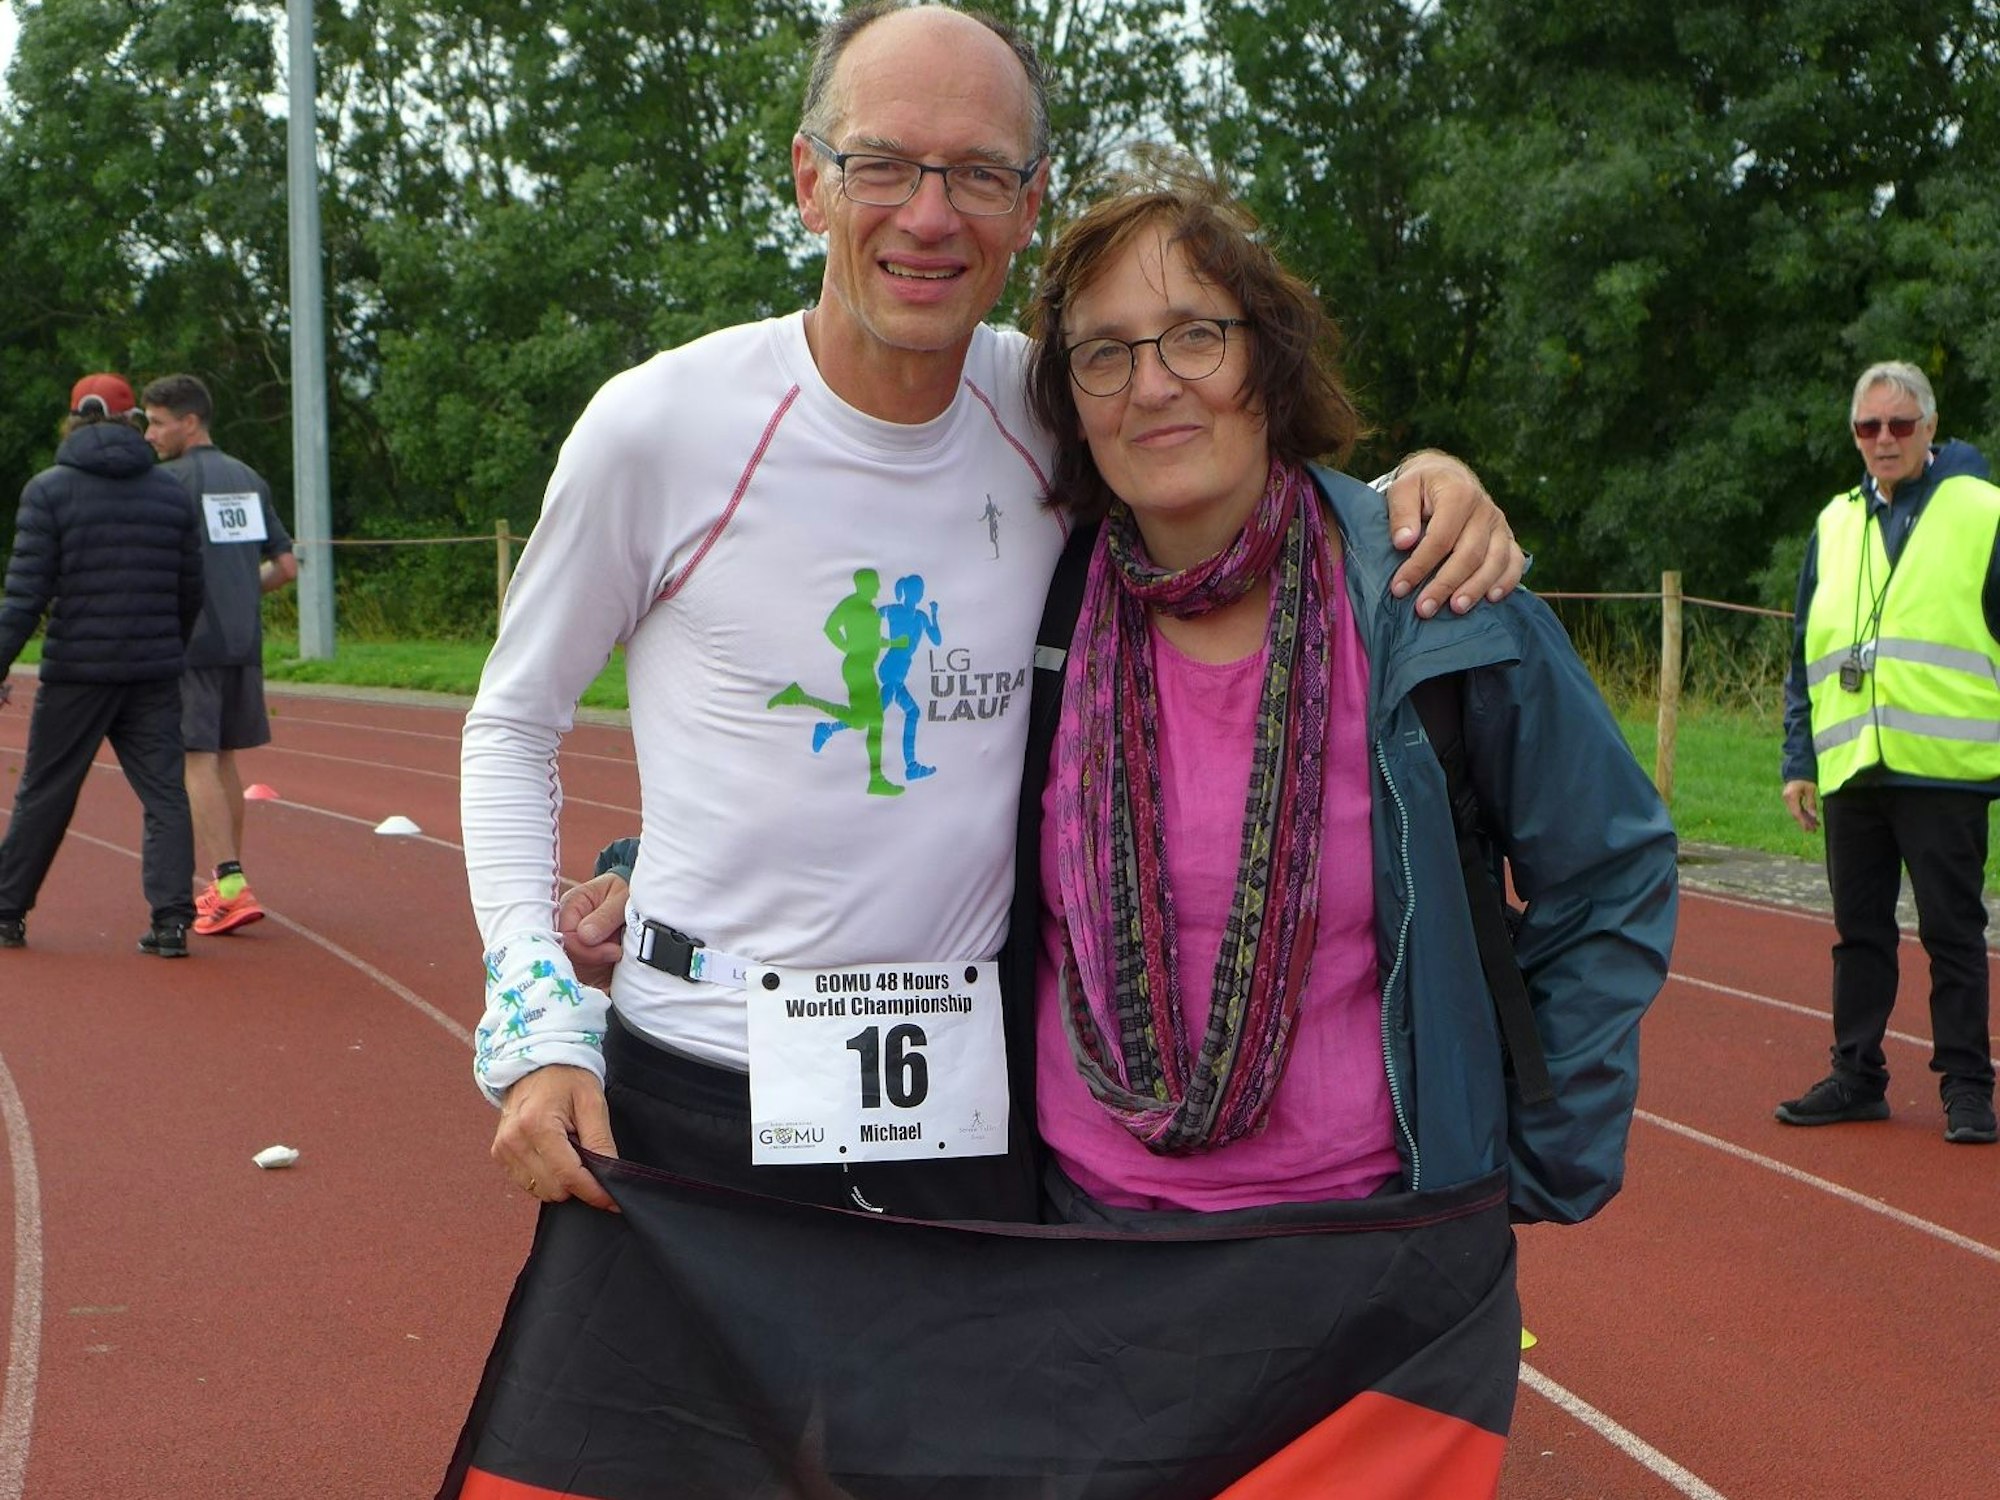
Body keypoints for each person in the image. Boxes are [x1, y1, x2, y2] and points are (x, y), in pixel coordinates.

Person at [445, 6, 1524, 1495]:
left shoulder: (1055, 412)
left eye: (979, 173)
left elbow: (1229, 450)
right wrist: (533, 1027)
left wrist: (1425, 481)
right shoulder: (660, 428)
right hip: (698, 1093)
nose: (929, 215)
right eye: (885, 164)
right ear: (810, 180)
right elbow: (512, 724)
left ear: (1029, 202)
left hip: (966, 1109)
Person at [1776, 361, 2000, 1146]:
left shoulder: (1983, 512)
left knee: (1954, 935)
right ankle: (1857, 1074)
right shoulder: (1835, 520)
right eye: (1869, 427)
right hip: (1852, 770)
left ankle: (1968, 1088)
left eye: (1900, 425)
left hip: (1945, 770)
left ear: (1931, 428)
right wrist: (1799, 759)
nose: (1884, 439)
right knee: (1858, 933)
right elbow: (1806, 645)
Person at [0, 375, 205, 956]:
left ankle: (8, 911)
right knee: (165, 793)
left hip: (76, 672)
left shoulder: (48, 491)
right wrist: (170, 644)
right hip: (153, 671)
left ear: (74, 418)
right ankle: (171, 922)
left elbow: (24, 596)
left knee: (46, 790)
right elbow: (191, 591)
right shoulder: (170, 494)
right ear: (133, 420)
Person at [141, 373, 298, 937]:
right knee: (225, 758)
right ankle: (227, 884)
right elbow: (284, 568)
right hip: (241, 640)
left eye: (157, 421)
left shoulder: (164, 484)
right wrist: (235, 586)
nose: (149, 433)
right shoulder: (247, 478)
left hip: (190, 642)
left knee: (194, 760)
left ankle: (229, 885)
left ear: (189, 421)